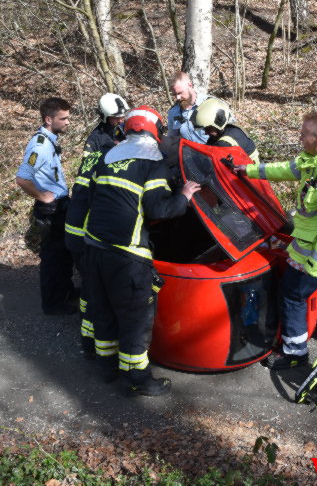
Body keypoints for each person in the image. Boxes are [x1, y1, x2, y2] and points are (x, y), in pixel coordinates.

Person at [83, 105, 201, 395]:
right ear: (155, 131)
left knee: (104, 310)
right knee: (136, 318)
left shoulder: (108, 158)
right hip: (127, 255)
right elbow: (157, 208)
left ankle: (105, 367)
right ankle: (138, 378)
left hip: (94, 248)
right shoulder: (153, 162)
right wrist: (184, 196)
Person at [234, 111, 317, 370]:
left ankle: (294, 352)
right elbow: (286, 169)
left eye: (304, 134)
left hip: (315, 252)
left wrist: (314, 264)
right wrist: (248, 170)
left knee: (292, 295)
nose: (299, 138)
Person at [65, 93, 129, 356]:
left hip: (77, 227)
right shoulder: (97, 143)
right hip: (82, 235)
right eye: (116, 117)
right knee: (93, 289)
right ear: (105, 117)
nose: (121, 120)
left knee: (91, 286)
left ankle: (88, 329)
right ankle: (92, 342)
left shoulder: (96, 157)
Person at [16, 97, 77, 315]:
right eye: (64, 118)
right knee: (53, 258)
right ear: (49, 119)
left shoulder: (49, 141)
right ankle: (53, 303)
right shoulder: (39, 146)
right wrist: (42, 197)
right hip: (51, 210)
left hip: (60, 206)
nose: (68, 122)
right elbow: (22, 178)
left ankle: (66, 292)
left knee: (63, 255)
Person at [193, 97, 259, 163]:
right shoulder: (226, 129)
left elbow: (207, 161)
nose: (205, 133)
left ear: (218, 121)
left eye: (208, 128)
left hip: (249, 170)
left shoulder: (225, 142)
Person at [166, 71, 208, 144]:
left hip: (212, 153)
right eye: (174, 94)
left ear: (190, 85)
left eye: (180, 93)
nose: (178, 98)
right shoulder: (173, 113)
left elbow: (230, 132)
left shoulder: (210, 104)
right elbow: (172, 141)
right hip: (187, 153)